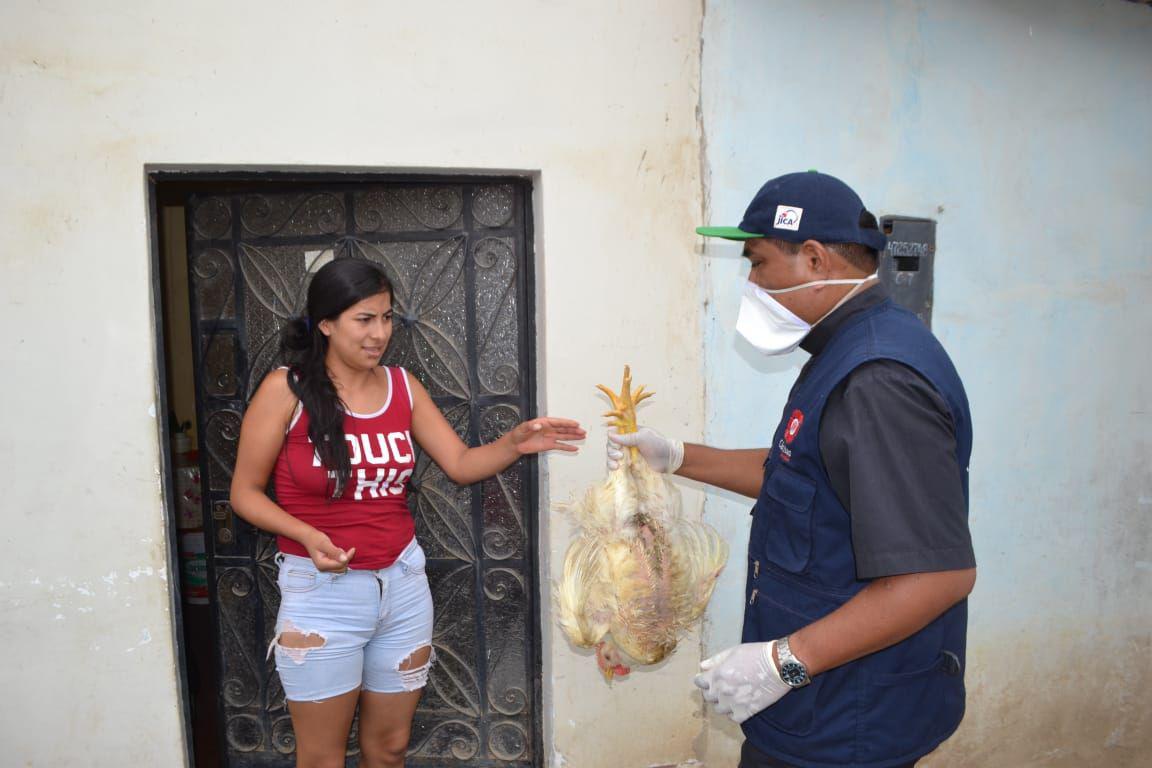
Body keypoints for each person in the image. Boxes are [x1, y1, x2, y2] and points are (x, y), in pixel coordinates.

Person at [608, 171, 976, 768]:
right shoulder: (847, 347)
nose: (750, 282)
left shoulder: (877, 379)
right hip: (823, 706)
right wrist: (676, 456)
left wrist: (783, 661)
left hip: (847, 716)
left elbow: (936, 577)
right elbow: (804, 477)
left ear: (812, 259)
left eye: (756, 263)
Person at [230, 258, 585, 768]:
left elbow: (461, 464)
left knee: (390, 749)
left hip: (402, 589)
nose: (380, 334)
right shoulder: (284, 391)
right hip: (322, 598)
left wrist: (515, 443)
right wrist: (306, 534)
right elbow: (245, 492)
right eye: (364, 319)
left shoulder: (402, 386)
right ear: (326, 324)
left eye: (387, 318)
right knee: (322, 758)